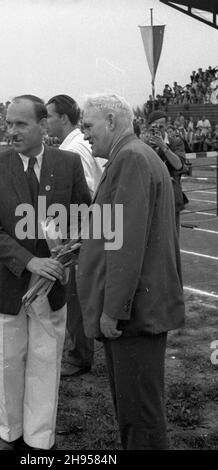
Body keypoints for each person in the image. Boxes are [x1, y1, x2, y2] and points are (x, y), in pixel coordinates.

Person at [0, 95, 91, 451]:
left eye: (21, 124)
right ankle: (10, 434)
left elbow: (84, 219)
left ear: (43, 125)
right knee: (8, 363)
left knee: (45, 361)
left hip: (52, 286)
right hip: (6, 285)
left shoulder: (68, 163)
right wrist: (30, 262)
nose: (12, 131)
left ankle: (40, 440)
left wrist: (66, 256)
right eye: (9, 123)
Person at [76, 93, 185, 450]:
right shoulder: (132, 155)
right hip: (138, 308)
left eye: (88, 125)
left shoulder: (132, 159)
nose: (83, 132)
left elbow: (127, 243)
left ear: (111, 121)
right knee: (135, 409)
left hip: (134, 313)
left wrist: (113, 310)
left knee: (139, 416)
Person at [46, 94, 104, 377]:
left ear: (64, 118)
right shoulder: (74, 144)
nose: (46, 122)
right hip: (80, 227)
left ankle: (80, 354)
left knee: (76, 294)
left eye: (50, 117)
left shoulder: (76, 149)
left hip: (79, 229)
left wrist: (74, 238)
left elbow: (88, 193)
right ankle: (80, 350)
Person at [145, 110, 186, 234]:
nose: (159, 130)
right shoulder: (145, 146)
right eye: (155, 127)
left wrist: (163, 146)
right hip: (152, 198)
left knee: (172, 238)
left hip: (171, 197)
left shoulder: (176, 143)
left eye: (161, 127)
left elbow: (178, 165)